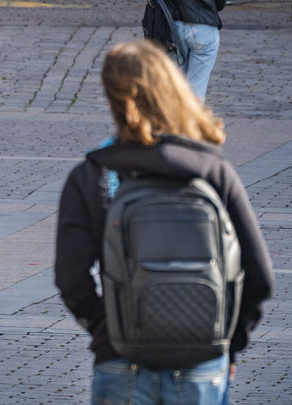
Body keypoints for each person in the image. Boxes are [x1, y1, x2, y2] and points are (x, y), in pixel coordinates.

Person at [54, 41, 274, 404]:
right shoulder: (214, 172)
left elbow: (70, 276)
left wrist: (108, 331)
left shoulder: (92, 174)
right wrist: (228, 344)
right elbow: (259, 275)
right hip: (202, 361)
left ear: (113, 98)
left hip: (121, 360)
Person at [168, 0, 226, 103]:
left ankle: (174, 117)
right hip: (203, 24)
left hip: (172, 26)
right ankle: (192, 117)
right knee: (196, 90)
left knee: (174, 89)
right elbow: (220, 4)